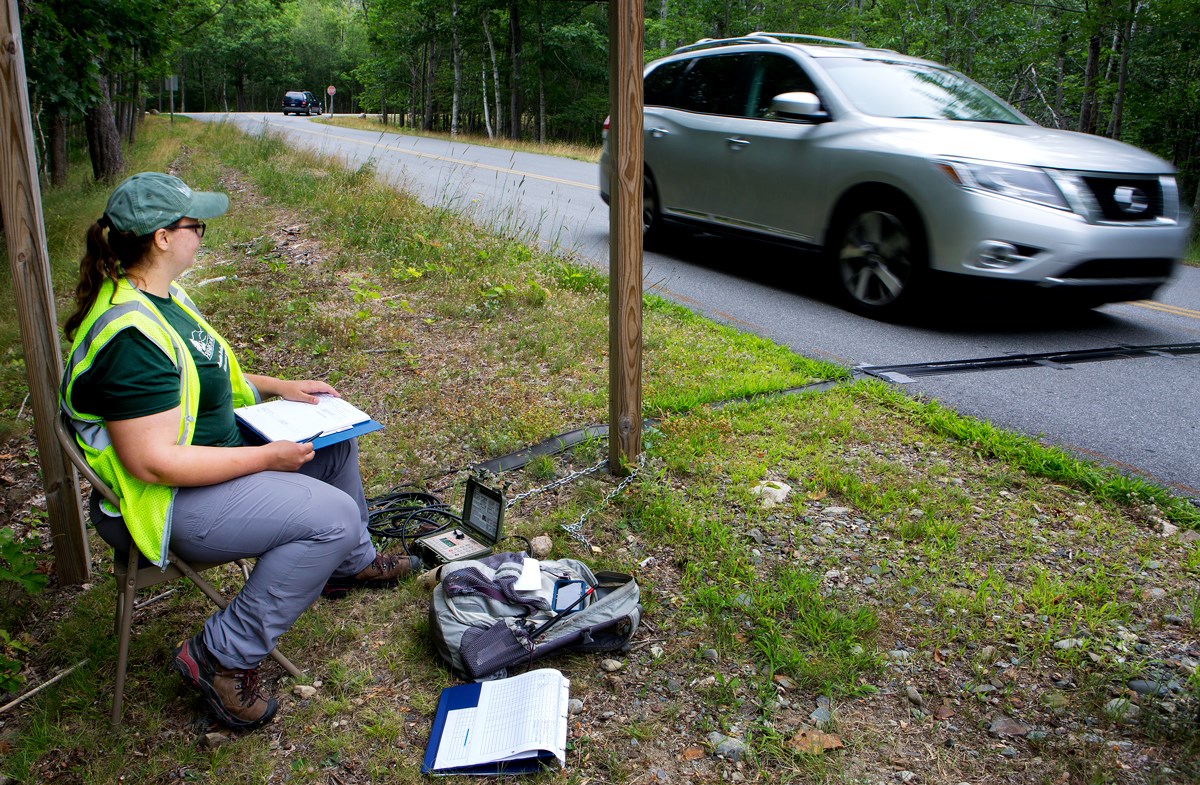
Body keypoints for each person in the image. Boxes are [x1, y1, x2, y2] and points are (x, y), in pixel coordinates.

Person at [59, 171, 418, 731]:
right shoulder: (130, 335)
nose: (201, 235)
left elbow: (196, 376)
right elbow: (152, 462)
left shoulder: (159, 296)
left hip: (204, 460)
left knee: (335, 444)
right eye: (195, 225)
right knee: (333, 519)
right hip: (166, 499)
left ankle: (350, 566)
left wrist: (279, 387)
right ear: (161, 237)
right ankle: (220, 656)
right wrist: (265, 457)